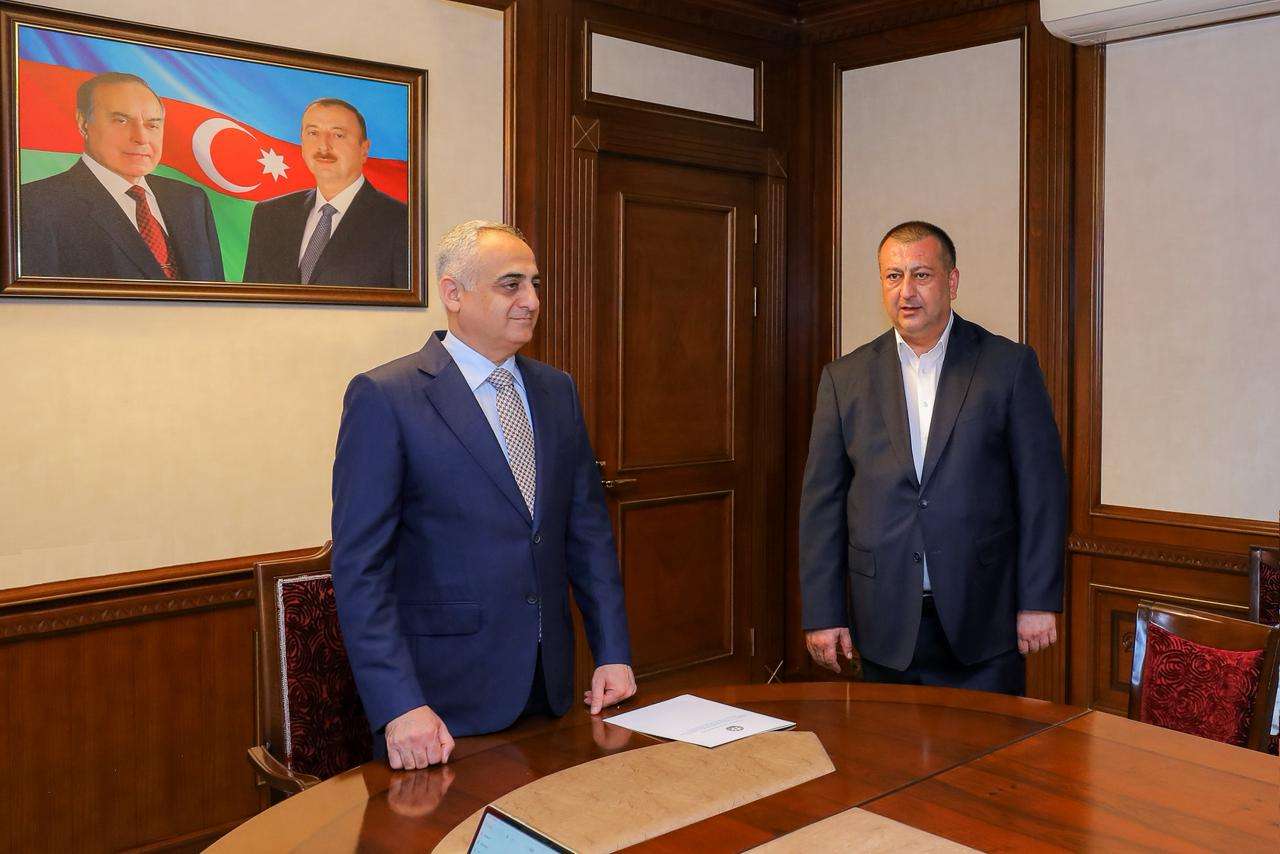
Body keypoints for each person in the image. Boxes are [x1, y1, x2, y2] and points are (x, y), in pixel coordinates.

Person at [332, 220, 635, 770]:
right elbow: (361, 570)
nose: (532, 301)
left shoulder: (557, 390)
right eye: (510, 285)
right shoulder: (386, 397)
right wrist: (400, 704)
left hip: (549, 689)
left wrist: (611, 651)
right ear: (453, 293)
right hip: (441, 707)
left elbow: (587, 534)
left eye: (535, 284)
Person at [799, 221, 1066, 695]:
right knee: (888, 744)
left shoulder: (1008, 367)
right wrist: (823, 614)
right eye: (893, 276)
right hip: (883, 623)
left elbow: (1042, 492)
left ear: (952, 281)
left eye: (921, 275)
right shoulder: (844, 379)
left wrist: (1039, 600)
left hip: (984, 621)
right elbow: (822, 507)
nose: (906, 291)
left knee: (988, 744)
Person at [19, 72, 223, 281]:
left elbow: (217, 295)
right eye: (121, 121)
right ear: (83, 123)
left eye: (152, 125)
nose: (141, 138)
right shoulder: (34, 205)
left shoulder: (191, 200)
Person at [242, 98, 407, 287]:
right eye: (313, 133)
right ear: (302, 142)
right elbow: (251, 300)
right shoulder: (269, 215)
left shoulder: (401, 222)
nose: (323, 146)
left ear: (364, 149)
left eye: (338, 135)